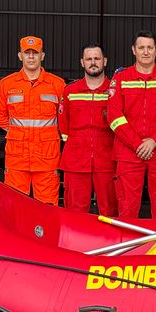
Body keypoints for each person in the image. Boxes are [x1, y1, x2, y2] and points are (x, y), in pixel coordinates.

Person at [107, 32, 156, 220]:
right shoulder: (121, 78)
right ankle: (129, 247)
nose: (146, 52)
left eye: (150, 47)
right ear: (134, 50)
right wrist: (137, 144)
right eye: (141, 47)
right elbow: (114, 116)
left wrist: (153, 142)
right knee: (127, 205)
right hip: (128, 152)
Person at [0, 35, 65, 204]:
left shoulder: (57, 85)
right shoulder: (7, 84)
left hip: (47, 158)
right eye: (27, 53)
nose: (31, 57)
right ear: (20, 56)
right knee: (15, 206)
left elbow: (65, 117)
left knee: (48, 208)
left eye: (35, 53)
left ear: (42, 56)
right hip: (18, 158)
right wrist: (16, 132)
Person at [59, 44, 116, 215]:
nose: (93, 62)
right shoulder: (70, 91)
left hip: (107, 161)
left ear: (104, 61)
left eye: (97, 58)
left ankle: (111, 241)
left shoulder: (114, 91)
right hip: (76, 161)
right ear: (82, 62)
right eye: (89, 59)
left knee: (110, 210)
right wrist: (76, 146)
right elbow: (63, 123)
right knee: (75, 211)